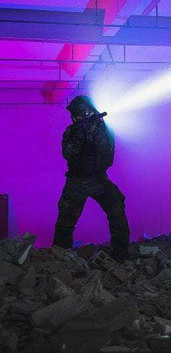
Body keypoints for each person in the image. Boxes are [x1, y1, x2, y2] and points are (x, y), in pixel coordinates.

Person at [53, 95, 130, 262]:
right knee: (65, 221)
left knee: (116, 208)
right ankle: (60, 258)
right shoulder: (71, 131)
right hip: (76, 180)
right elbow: (68, 153)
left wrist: (96, 134)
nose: (75, 118)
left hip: (98, 179)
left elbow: (108, 155)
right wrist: (80, 135)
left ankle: (121, 254)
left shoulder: (103, 129)